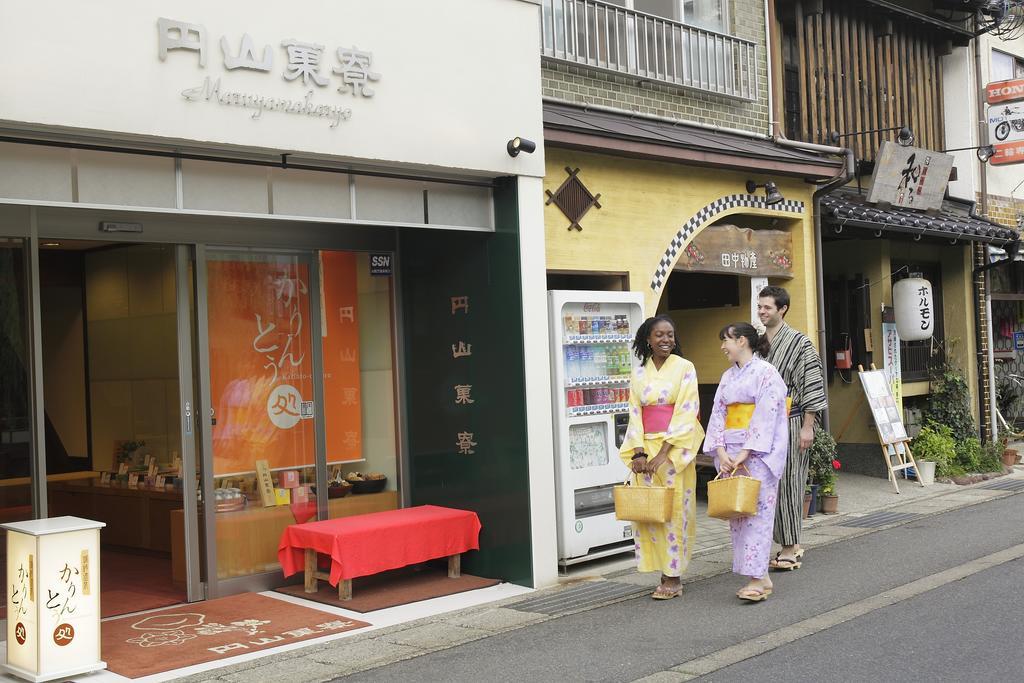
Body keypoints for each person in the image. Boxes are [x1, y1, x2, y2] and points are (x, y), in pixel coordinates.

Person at [619, 315, 704, 600]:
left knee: (674, 511)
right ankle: (659, 568)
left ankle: (673, 576)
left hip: (675, 449)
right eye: (659, 335)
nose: (666, 339)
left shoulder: (685, 368)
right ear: (648, 339)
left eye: (670, 334)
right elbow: (633, 412)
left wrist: (664, 452)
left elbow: (686, 410)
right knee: (648, 512)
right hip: (645, 447)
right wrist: (639, 453)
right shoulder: (638, 372)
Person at [704, 322, 789, 602]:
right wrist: (720, 450)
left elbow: (767, 414)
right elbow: (718, 413)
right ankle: (760, 576)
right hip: (731, 451)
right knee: (738, 515)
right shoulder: (727, 376)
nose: (722, 346)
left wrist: (746, 451)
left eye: (725, 340)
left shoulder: (766, 373)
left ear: (742, 341)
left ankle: (756, 578)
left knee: (758, 516)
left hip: (758, 455)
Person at [757, 286, 827, 571]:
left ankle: (789, 547)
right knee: (765, 484)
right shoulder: (758, 342)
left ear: (782, 309)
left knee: (789, 482)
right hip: (763, 424)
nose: (761, 312)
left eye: (767, 308)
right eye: (759, 307)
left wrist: (808, 426)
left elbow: (811, 382)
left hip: (792, 419)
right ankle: (783, 543)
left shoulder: (800, 342)